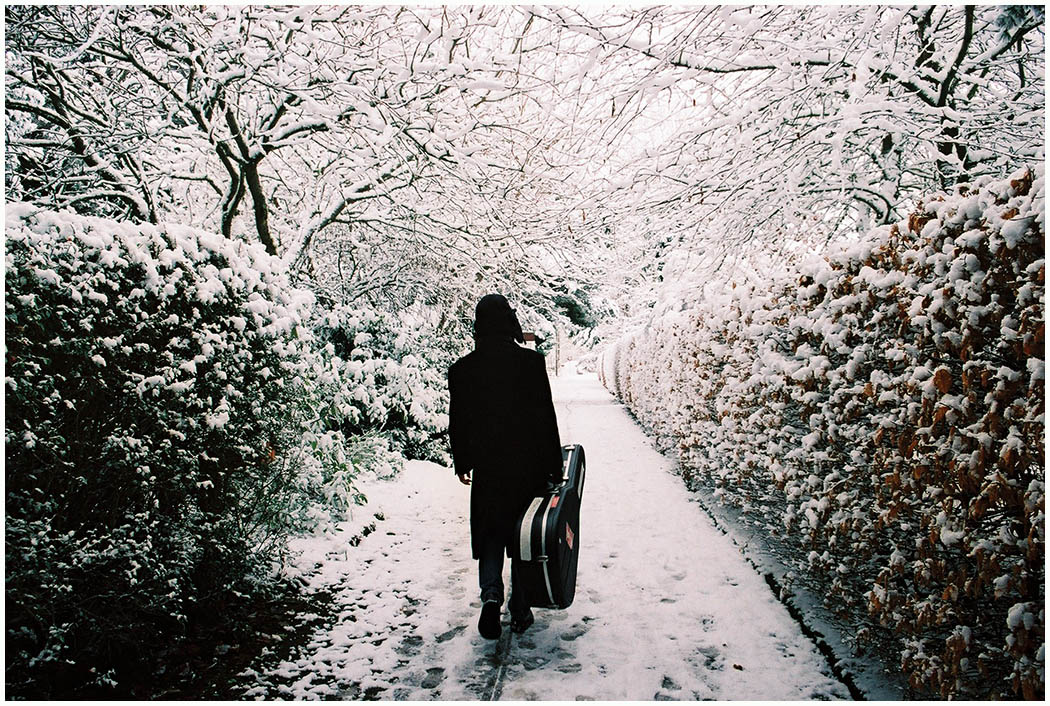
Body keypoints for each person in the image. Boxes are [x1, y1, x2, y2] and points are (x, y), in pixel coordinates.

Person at [447, 294, 563, 639]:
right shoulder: (530, 363)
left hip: (489, 469)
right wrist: (553, 465)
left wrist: (462, 462)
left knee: (491, 534)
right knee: (523, 535)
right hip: (528, 467)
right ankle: (520, 605)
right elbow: (545, 417)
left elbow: (459, 422)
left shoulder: (462, 370)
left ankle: (490, 597)